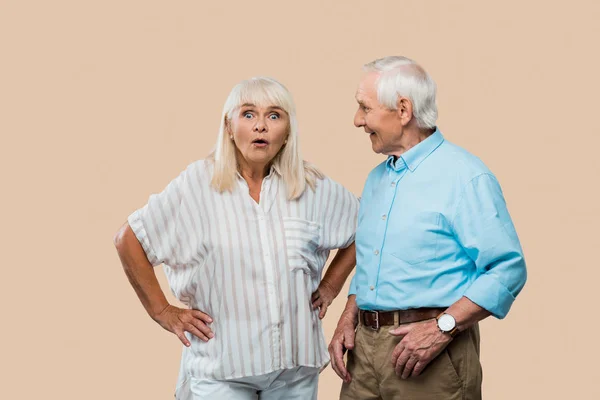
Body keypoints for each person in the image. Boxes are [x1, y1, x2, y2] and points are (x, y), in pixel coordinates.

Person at [113, 76, 359, 399]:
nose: (261, 126)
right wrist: (163, 311)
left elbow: (366, 228)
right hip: (221, 372)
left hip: (294, 373)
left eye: (274, 115)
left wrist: (330, 287)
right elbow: (128, 240)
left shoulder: (311, 186)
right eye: (248, 114)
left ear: (286, 132)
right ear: (229, 127)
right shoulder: (196, 185)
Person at [329, 56, 527, 400]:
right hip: (363, 357)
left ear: (403, 110)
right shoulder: (377, 179)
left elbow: (508, 269)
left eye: (365, 108)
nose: (358, 120)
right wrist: (348, 316)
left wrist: (442, 328)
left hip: (430, 357)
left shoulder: (465, 176)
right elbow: (372, 261)